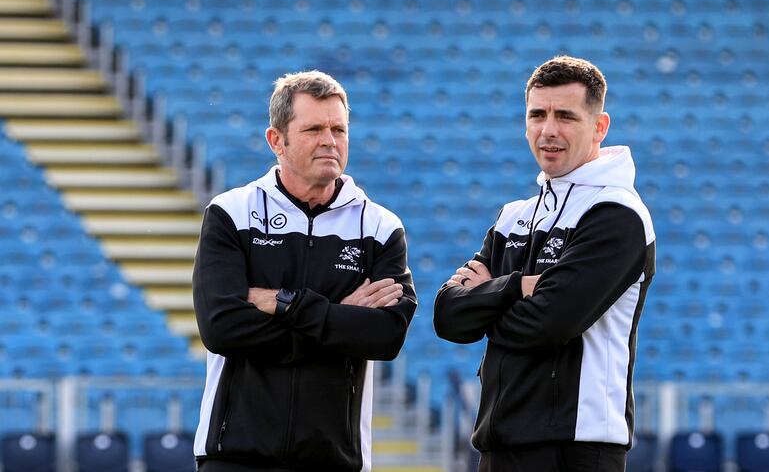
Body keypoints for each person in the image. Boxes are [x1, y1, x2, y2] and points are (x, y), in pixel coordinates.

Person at [434, 56, 656, 471]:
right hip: (499, 441)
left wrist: (487, 301)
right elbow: (448, 317)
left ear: (599, 127)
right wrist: (517, 287)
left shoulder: (617, 213)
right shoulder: (514, 215)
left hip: (575, 448)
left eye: (566, 116)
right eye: (537, 115)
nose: (548, 130)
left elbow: (550, 323)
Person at [192, 70, 417, 472]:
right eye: (314, 128)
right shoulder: (230, 213)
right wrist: (339, 318)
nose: (330, 140)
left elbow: (385, 336)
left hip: (334, 460)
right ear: (276, 140)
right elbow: (221, 327)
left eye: (338, 129)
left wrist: (283, 304)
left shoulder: (381, 227)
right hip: (236, 458)